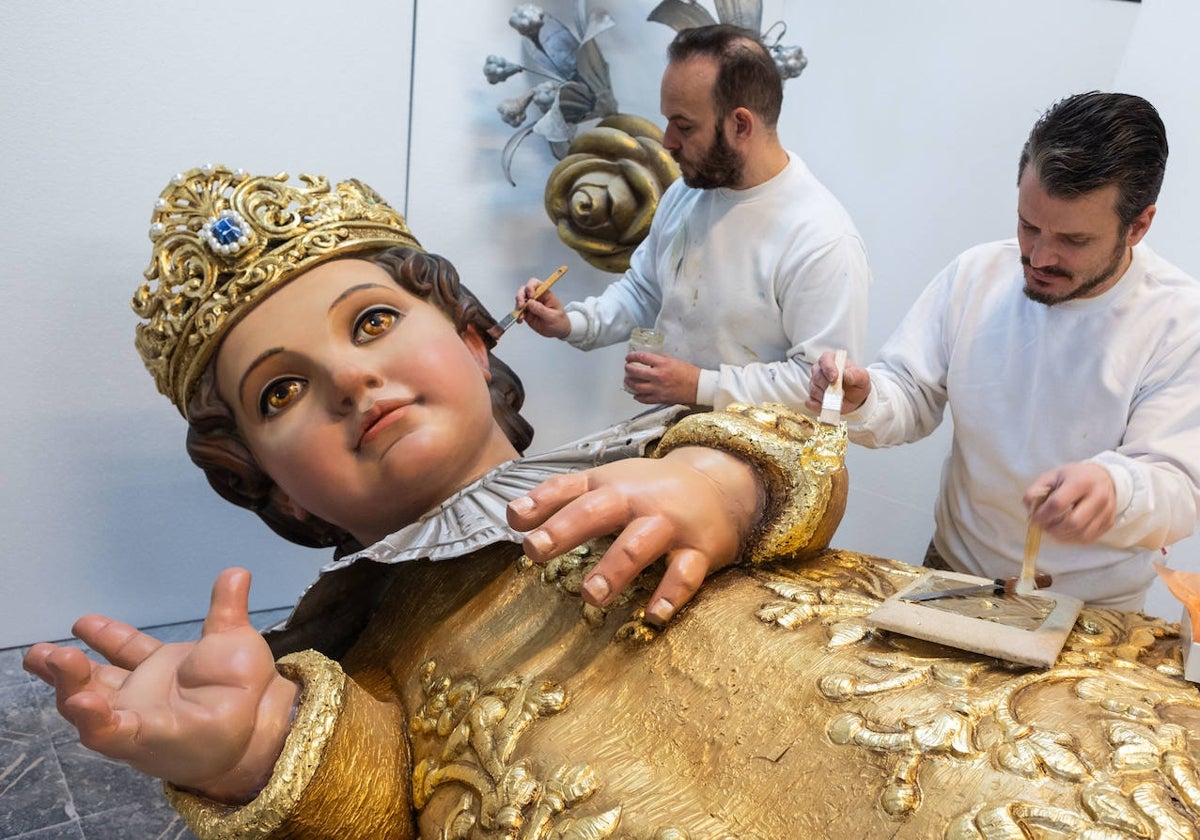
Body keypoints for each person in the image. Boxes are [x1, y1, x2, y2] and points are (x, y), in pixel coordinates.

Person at [27, 167, 1200, 840]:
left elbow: (803, 453)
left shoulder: (641, 452)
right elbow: (378, 795)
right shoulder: (353, 650)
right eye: (282, 391)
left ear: (472, 330)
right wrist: (259, 748)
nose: (350, 379)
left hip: (996, 731)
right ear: (264, 482)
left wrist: (720, 482)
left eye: (373, 322)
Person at [808, 91, 1200, 612]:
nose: (1039, 256)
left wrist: (1116, 485)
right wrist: (865, 397)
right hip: (955, 573)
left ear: (1138, 226)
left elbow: (1178, 485)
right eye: (1028, 225)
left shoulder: (1179, 322)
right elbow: (911, 393)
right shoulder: (977, 276)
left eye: (1073, 240)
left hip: (1093, 612)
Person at [517, 23, 870, 409]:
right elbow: (645, 290)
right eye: (667, 120)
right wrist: (571, 323)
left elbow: (826, 392)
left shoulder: (821, 239)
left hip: (765, 456)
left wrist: (700, 386)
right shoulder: (686, 194)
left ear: (740, 125)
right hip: (671, 432)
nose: (667, 142)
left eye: (683, 126)